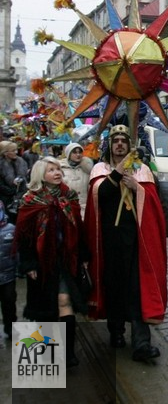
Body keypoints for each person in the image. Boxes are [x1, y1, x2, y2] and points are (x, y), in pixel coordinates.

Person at [84, 125, 167, 362]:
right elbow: (100, 195)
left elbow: (153, 203)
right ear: (109, 145)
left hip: (136, 242)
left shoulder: (142, 170)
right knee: (113, 288)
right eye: (115, 141)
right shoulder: (100, 168)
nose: (119, 144)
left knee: (137, 288)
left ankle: (142, 343)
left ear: (129, 145)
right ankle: (116, 332)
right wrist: (119, 173)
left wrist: (137, 188)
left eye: (123, 140)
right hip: (109, 241)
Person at [14, 157, 87, 367]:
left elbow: (78, 230)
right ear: (40, 175)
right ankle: (47, 353)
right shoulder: (30, 201)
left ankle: (69, 353)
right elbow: (24, 237)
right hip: (41, 263)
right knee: (45, 308)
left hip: (65, 260)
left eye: (58, 169)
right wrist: (28, 264)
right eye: (51, 170)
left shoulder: (69, 196)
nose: (57, 173)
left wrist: (82, 256)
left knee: (65, 301)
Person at [60, 142, 94, 220]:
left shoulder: (87, 169)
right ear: (68, 154)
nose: (78, 154)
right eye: (75, 152)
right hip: (67, 208)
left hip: (85, 207)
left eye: (80, 152)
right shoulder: (61, 168)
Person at [0, 140, 29, 223]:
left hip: (22, 196)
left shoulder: (21, 162)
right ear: (5, 153)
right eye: (13, 150)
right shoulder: (1, 165)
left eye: (16, 149)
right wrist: (12, 191)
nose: (16, 152)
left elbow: (25, 177)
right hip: (6, 198)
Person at [0, 200, 16, 340]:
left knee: (9, 301)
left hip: (8, 274)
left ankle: (10, 327)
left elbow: (17, 251)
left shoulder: (11, 229)